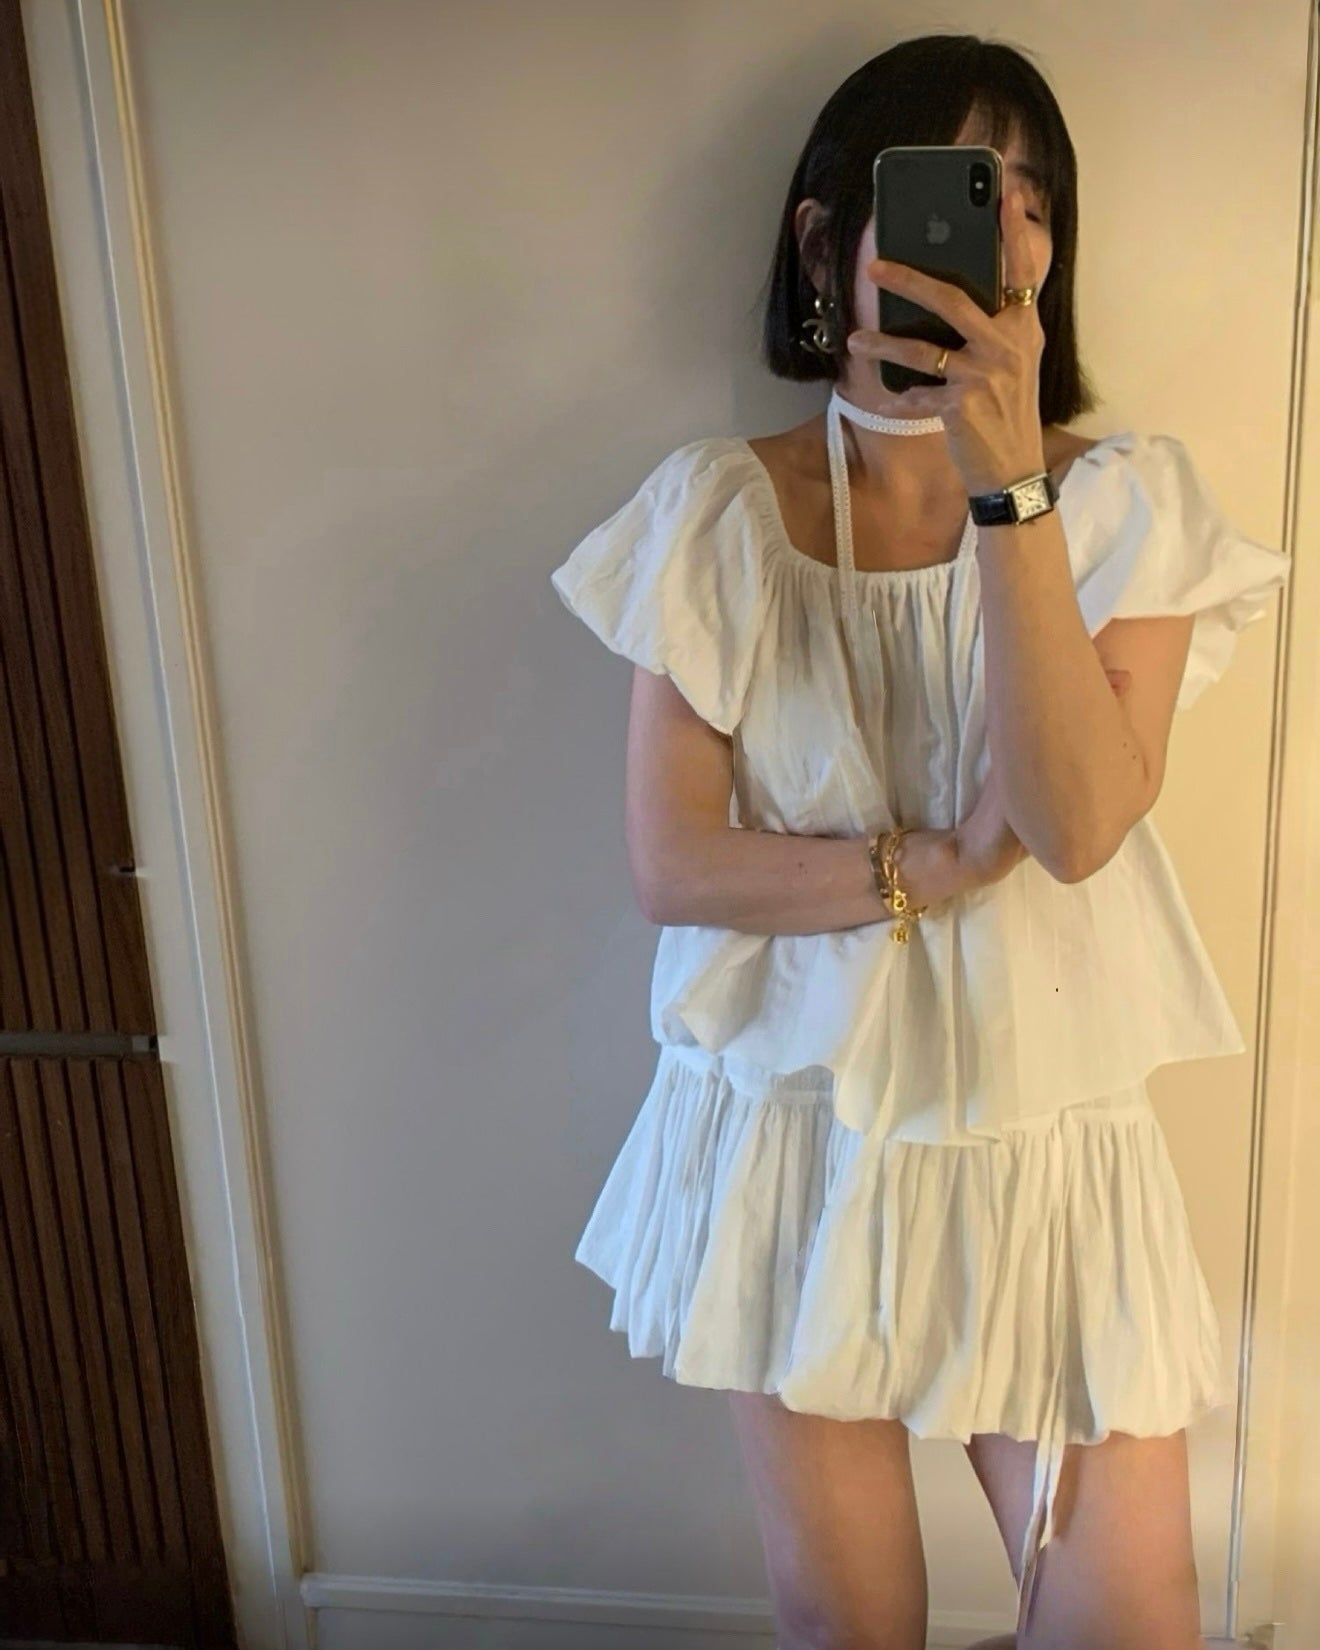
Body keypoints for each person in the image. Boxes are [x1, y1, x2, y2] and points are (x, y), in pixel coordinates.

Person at [549, 32, 1291, 1650]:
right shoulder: (719, 513)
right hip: (795, 1130)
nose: (1004, 230)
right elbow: (675, 863)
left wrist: (1007, 485)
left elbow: (1077, 823)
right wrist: (933, 867)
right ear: (828, 238)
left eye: (1032, 196)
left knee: (1130, 1619)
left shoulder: (1125, 503)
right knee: (852, 1619)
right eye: (958, 186)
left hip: (1045, 1144)